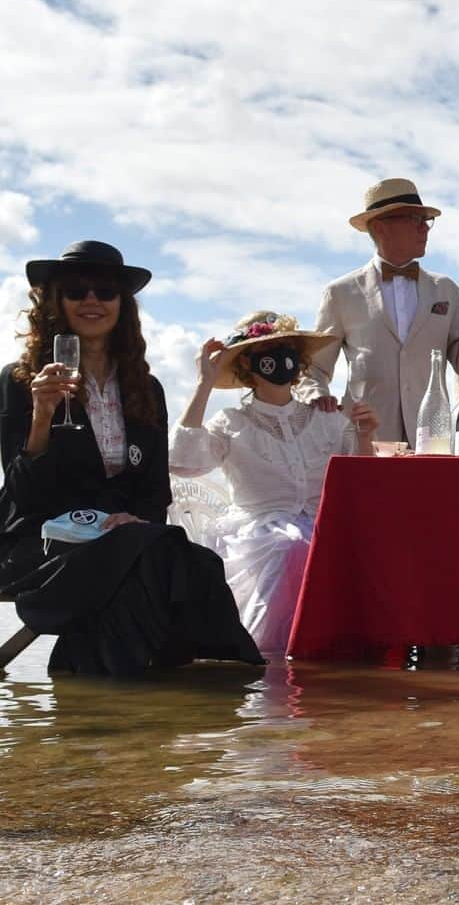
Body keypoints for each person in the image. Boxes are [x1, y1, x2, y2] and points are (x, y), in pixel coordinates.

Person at [0, 241, 263, 676]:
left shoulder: (145, 387)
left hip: (126, 541)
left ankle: (199, 685)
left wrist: (131, 522)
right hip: (42, 542)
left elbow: (154, 491)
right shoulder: (20, 380)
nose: (91, 300)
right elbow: (23, 494)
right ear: (56, 302)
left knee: (197, 562)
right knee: (152, 560)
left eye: (105, 290)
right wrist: (42, 416)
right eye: (77, 290)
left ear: (123, 304)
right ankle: (138, 690)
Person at [169, 311, 379, 654]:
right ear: (248, 365)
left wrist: (366, 435)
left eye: (287, 349)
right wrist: (204, 383)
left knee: (341, 550)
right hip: (260, 534)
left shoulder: (328, 419)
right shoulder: (231, 422)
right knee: (292, 549)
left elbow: (361, 486)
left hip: (323, 529)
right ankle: (275, 671)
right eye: (269, 351)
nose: (281, 358)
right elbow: (182, 463)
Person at [297, 178, 459, 446]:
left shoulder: (446, 290)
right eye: (416, 219)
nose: (425, 229)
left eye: (427, 221)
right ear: (380, 227)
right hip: (365, 441)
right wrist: (317, 399)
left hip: (432, 440)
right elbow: (314, 370)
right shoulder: (340, 293)